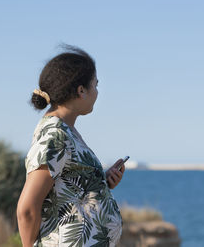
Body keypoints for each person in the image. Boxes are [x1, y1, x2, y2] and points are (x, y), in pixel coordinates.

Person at [17, 44, 126, 247]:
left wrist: (101, 182)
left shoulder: (66, 131)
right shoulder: (55, 135)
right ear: (81, 90)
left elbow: (65, 188)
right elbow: (27, 209)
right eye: (95, 85)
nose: (97, 92)